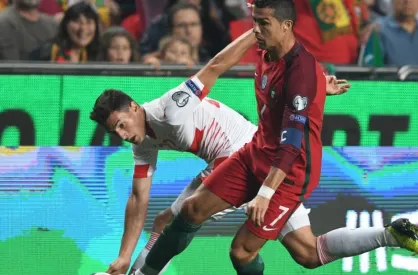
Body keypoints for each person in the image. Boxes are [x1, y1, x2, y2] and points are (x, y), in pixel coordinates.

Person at [133, 1, 418, 275]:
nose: (256, 29)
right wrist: (321, 85)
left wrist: (266, 192)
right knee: (193, 211)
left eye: (263, 24)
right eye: (254, 22)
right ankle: (143, 274)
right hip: (256, 153)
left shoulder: (301, 72)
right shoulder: (270, 51)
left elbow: (292, 142)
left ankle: (391, 236)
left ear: (286, 26)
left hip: (290, 172)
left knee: (245, 251)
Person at [89, 32, 349, 275]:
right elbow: (138, 197)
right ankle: (386, 235)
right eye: (115, 131)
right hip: (250, 155)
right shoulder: (141, 142)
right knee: (307, 252)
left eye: (122, 125)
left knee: (171, 221)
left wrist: (253, 31)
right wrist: (123, 256)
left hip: (243, 157)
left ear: (134, 107)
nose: (122, 135)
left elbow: (215, 66)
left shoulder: (171, 107)